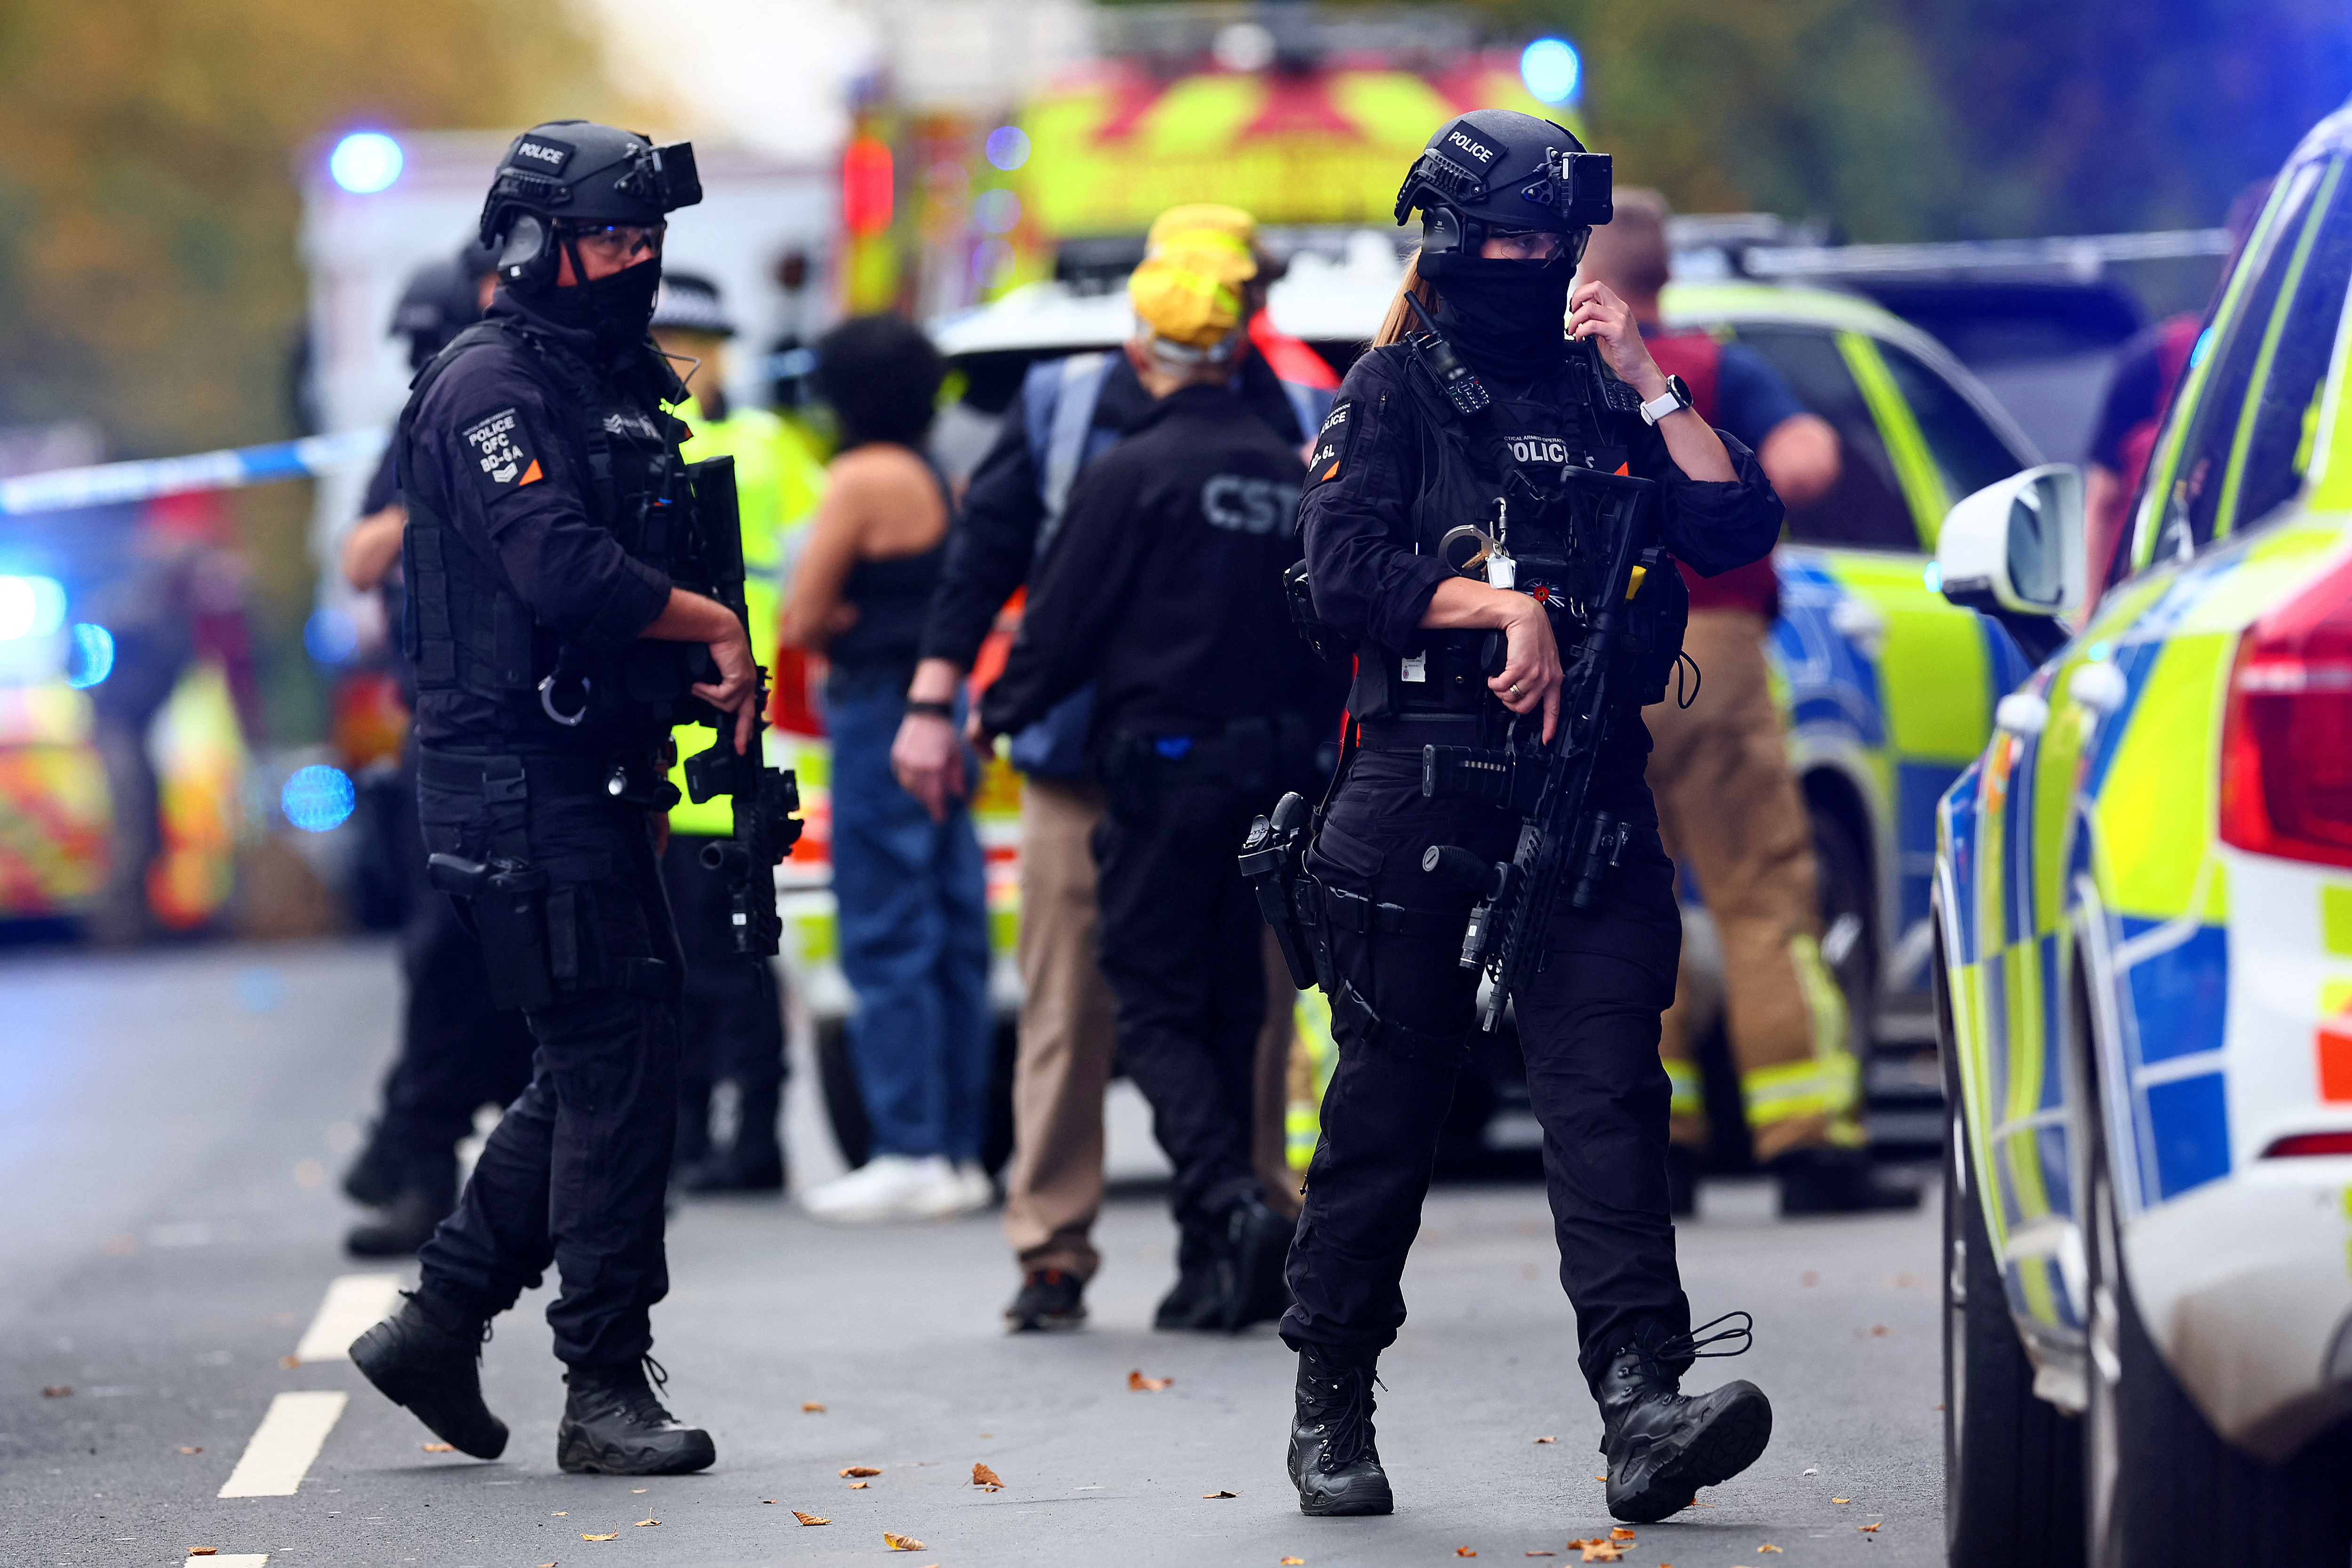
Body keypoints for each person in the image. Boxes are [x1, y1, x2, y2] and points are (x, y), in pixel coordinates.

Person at [1283, 110, 1780, 1523]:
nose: (1535, 259)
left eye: (1554, 238)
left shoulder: (1603, 386)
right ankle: (1331, 1390)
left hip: (1589, 807)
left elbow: (1735, 531)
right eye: (1510, 236)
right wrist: (1493, 603)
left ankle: (1640, 1402)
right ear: (1449, 240)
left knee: (1611, 1099)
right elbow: (1336, 572)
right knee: (1388, 1108)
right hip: (1420, 802)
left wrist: (1650, 380)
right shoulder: (1388, 396)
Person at [349, 120, 762, 1478]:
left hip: (592, 766)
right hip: (516, 779)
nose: (635, 262)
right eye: (611, 239)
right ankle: (600, 1383)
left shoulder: (601, 378)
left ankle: (440, 1319)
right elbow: (563, 572)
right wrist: (710, 625)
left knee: (604, 1054)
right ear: (533, 241)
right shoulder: (490, 388)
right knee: (616, 1069)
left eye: (649, 240)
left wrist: (702, 666)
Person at [893, 203, 1334, 1335]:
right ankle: (1057, 1247)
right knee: (1072, 1004)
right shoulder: (1066, 405)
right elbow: (982, 559)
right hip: (1091, 765)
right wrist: (939, 700)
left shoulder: (1296, 414)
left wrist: (989, 708)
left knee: (1246, 1011)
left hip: (1210, 770)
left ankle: (1236, 1230)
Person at [1577, 190, 1916, 1217]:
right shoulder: (1711, 368)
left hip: (1591, 654)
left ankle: (1657, 1150)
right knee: (1763, 896)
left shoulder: (1545, 372)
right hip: (1711, 645)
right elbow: (1808, 459)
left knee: (1631, 906)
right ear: (1665, 271)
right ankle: (1809, 1144)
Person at [338, 240, 541, 1258]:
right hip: (452, 718)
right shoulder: (432, 421)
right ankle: (417, 1151)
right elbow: (363, 553)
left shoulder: (542, 398)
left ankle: (477, 1154)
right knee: (445, 946)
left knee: (548, 955)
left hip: (545, 713)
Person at [781, 313, 994, 1224]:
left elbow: (798, 617)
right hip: (939, 707)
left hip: (880, 712)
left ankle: (907, 1146)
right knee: (950, 930)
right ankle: (956, 1150)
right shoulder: (937, 477)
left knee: (887, 926)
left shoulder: (862, 478)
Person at [649, 271, 826, 1194]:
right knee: (677, 957)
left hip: (741, 735)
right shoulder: (650, 444)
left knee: (738, 953)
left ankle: (749, 1130)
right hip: (665, 748)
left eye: (699, 340)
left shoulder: (764, 446)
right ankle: (694, 1133)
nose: (687, 357)